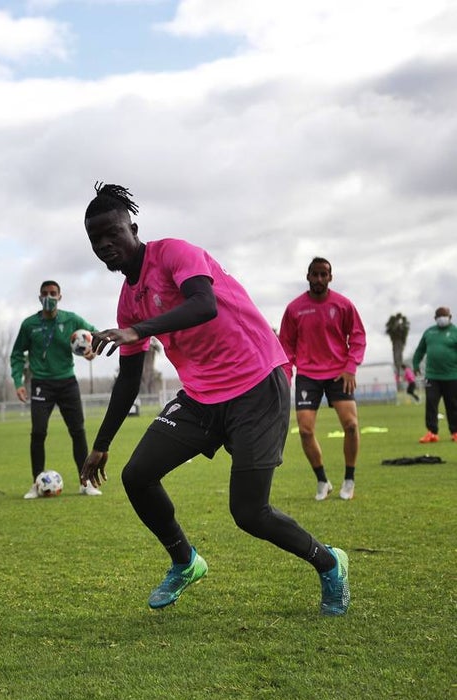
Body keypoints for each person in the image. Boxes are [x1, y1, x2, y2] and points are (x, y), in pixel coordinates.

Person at [78, 182, 349, 617]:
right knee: (137, 476)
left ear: (133, 227)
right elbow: (128, 379)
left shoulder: (175, 254)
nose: (106, 245)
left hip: (257, 383)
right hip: (203, 397)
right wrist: (101, 443)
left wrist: (140, 331)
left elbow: (203, 305)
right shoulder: (128, 303)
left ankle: (330, 562)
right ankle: (185, 561)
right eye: (96, 240)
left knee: (250, 512)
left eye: (113, 233)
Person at [278, 258, 367, 501]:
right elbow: (285, 344)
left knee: (351, 425)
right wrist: (287, 373)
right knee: (305, 431)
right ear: (307, 276)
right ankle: (322, 480)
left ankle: (349, 479)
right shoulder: (294, 308)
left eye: (323, 274)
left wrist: (350, 367)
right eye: (314, 274)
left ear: (330, 277)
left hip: (339, 373)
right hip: (308, 375)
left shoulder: (343, 305)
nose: (319, 279)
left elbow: (358, 337)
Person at [10, 279, 103, 499]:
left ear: (60, 297)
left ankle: (85, 482)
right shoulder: (29, 324)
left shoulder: (72, 320)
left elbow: (96, 335)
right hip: (42, 384)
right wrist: (18, 382)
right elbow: (16, 354)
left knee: (78, 431)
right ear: (39, 297)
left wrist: (92, 351)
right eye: (45, 293)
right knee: (38, 432)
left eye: (53, 293)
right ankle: (36, 484)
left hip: (67, 382)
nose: (49, 297)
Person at [411, 306, 457, 442]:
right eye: (440, 316)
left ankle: (455, 432)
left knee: (453, 404)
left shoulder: (455, 332)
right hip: (431, 376)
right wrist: (415, 364)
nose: (442, 318)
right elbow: (420, 351)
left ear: (450, 317)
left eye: (445, 315)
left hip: (452, 376)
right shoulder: (429, 332)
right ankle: (432, 432)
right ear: (435, 318)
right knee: (431, 403)